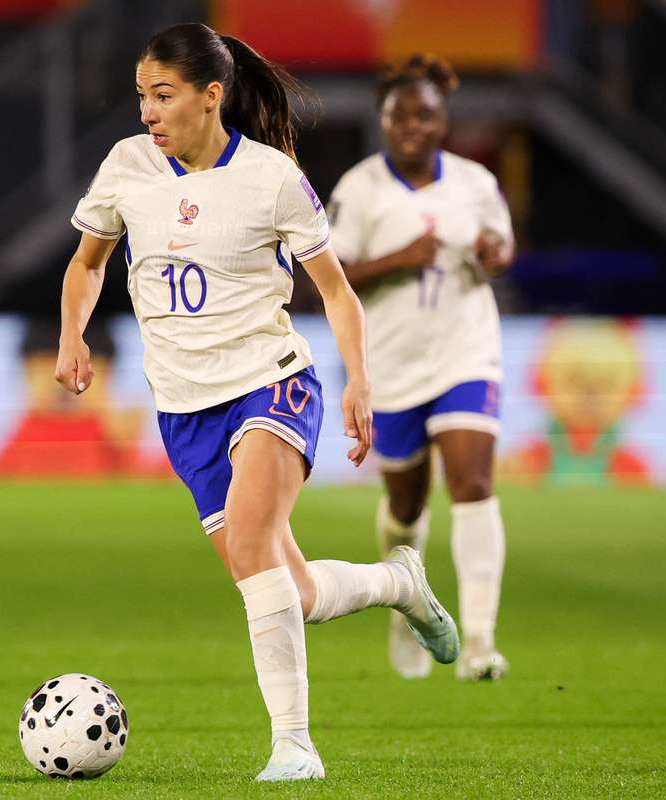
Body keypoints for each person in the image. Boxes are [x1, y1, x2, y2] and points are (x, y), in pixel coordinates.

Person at [55, 24, 459, 782]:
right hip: (185, 411)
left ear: (212, 96)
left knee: (249, 550)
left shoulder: (271, 178)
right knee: (291, 592)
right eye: (143, 95)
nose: (149, 111)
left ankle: (294, 745)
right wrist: (73, 334)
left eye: (164, 95)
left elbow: (337, 291)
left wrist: (359, 381)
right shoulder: (127, 168)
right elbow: (86, 264)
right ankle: (398, 583)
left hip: (271, 382)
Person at [327, 54, 514, 682]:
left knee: (472, 484)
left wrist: (494, 253)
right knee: (405, 504)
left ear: (443, 121)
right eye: (399, 114)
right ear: (382, 119)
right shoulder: (359, 189)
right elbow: (331, 274)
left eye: (425, 114)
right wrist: (401, 258)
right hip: (391, 365)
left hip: (466, 351)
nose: (412, 125)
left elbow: (502, 248)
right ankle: (405, 602)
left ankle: (482, 642)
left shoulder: (475, 183)